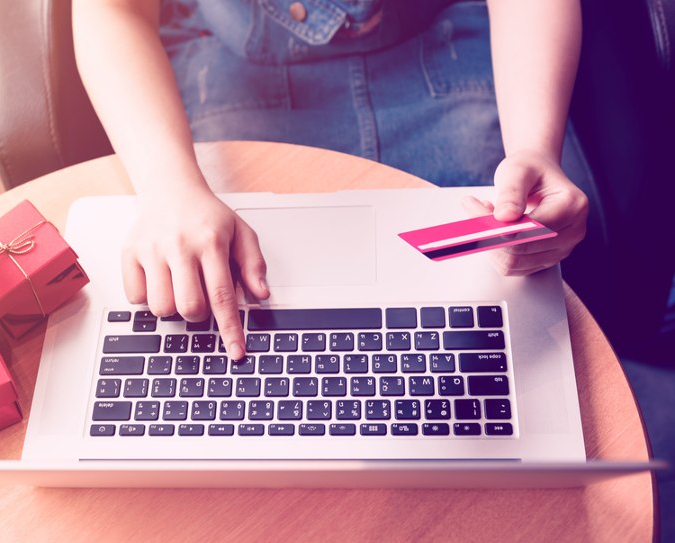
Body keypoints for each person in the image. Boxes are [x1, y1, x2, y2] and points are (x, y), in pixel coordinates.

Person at [71, 0, 592, 361]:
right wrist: (168, 188)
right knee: (231, 316)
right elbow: (111, 10)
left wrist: (533, 146)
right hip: (236, 71)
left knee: (514, 318)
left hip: (446, 48)